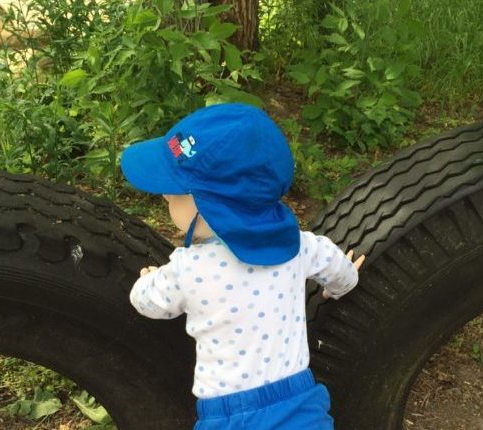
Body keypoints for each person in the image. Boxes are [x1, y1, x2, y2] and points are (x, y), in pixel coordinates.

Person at [120, 103, 365, 430]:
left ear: (206, 205)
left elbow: (149, 304)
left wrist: (146, 281)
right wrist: (340, 285)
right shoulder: (298, 246)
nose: (165, 198)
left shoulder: (187, 268)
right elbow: (339, 272)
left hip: (229, 416)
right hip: (300, 407)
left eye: (172, 196)